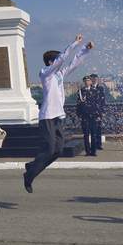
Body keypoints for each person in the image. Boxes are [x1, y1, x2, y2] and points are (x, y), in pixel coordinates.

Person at [23, 35, 94, 193]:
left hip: (58, 116)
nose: (59, 63)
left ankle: (32, 166)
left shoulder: (59, 75)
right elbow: (62, 59)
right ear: (51, 62)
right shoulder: (45, 74)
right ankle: (29, 176)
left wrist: (85, 49)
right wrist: (75, 43)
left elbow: (74, 62)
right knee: (49, 150)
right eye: (56, 61)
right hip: (47, 117)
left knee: (58, 150)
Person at [76, 76, 99, 156]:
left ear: (90, 82)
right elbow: (78, 104)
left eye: (88, 80)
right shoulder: (80, 92)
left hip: (93, 115)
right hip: (84, 115)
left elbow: (97, 103)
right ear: (84, 82)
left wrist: (98, 114)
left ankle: (93, 151)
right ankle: (87, 151)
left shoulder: (95, 91)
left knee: (93, 134)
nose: (86, 82)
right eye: (85, 80)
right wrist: (79, 114)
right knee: (86, 134)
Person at [90, 74, 106, 150]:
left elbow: (103, 100)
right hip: (91, 112)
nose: (94, 80)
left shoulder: (101, 88)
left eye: (95, 78)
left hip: (99, 111)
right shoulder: (88, 88)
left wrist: (103, 111)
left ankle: (99, 145)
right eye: (93, 78)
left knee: (99, 128)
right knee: (92, 129)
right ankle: (93, 145)